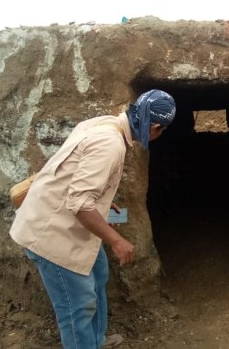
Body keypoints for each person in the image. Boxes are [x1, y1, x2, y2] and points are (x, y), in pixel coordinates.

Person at [10, 89, 176, 348]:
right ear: (155, 127)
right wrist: (116, 240)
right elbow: (80, 204)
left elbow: (79, 178)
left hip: (69, 221)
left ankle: (95, 341)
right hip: (51, 232)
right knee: (77, 308)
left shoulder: (102, 124)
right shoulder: (109, 143)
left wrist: (105, 202)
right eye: (161, 131)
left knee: (98, 275)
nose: (158, 136)